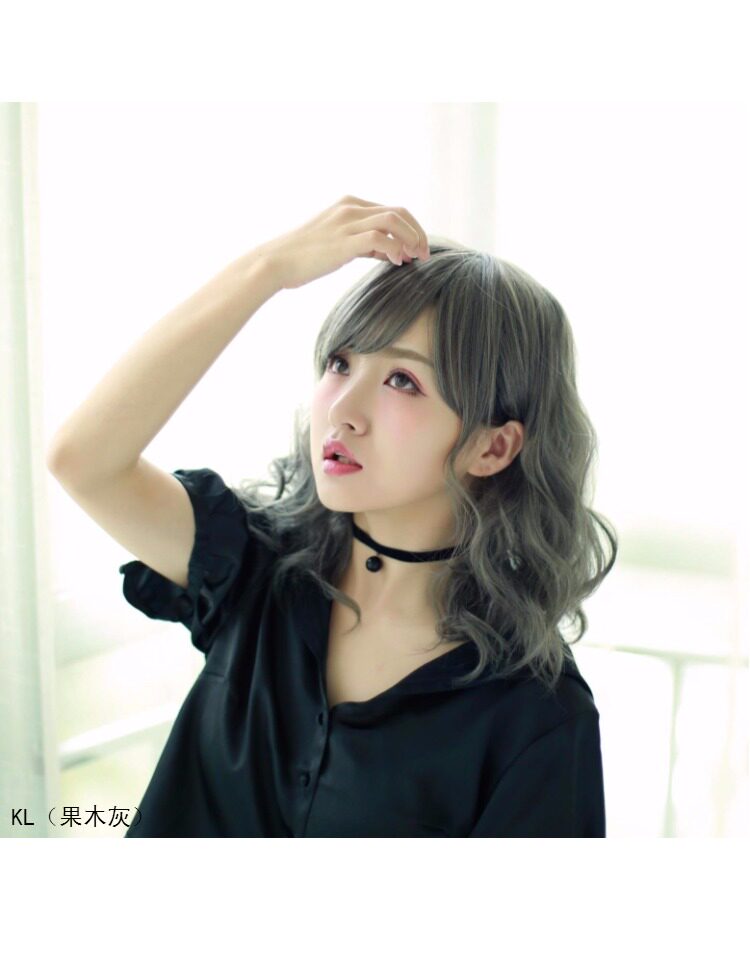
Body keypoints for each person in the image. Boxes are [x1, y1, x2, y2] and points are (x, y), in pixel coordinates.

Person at [47, 194, 616, 837]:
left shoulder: (535, 717)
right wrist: (268, 269)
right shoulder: (256, 569)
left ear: (493, 447)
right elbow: (83, 461)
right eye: (340, 363)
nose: (342, 408)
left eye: (403, 381)